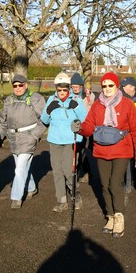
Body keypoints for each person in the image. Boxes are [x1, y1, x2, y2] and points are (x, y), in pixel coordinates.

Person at [72, 72, 136, 238]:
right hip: (101, 150)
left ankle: (119, 217)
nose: (106, 89)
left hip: (122, 150)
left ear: (117, 86)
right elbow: (89, 127)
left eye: (110, 85)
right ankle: (110, 216)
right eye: (104, 86)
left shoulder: (127, 104)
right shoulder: (97, 105)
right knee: (104, 185)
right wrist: (80, 128)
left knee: (114, 184)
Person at [41, 73, 88, 212]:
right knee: (57, 171)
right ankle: (61, 200)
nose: (61, 92)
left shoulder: (76, 101)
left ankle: (75, 193)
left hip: (70, 140)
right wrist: (48, 110)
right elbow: (44, 120)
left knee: (68, 171)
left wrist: (76, 108)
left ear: (69, 89)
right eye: (59, 89)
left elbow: (85, 119)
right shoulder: (51, 100)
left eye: (64, 89)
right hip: (55, 140)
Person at [0, 74, 46, 209]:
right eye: (15, 86)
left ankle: (16, 198)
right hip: (13, 138)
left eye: (20, 85)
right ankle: (31, 188)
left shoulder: (36, 98)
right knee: (23, 167)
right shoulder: (9, 100)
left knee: (19, 169)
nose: (18, 88)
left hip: (28, 137)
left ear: (26, 85)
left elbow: (44, 120)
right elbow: (3, 121)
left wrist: (34, 136)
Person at [70, 72, 95, 183]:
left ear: (81, 86)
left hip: (84, 127)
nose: (75, 89)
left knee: (80, 151)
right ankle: (82, 172)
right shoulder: (69, 96)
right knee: (76, 152)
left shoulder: (89, 96)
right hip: (72, 127)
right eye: (73, 87)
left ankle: (84, 172)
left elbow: (92, 110)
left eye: (77, 87)